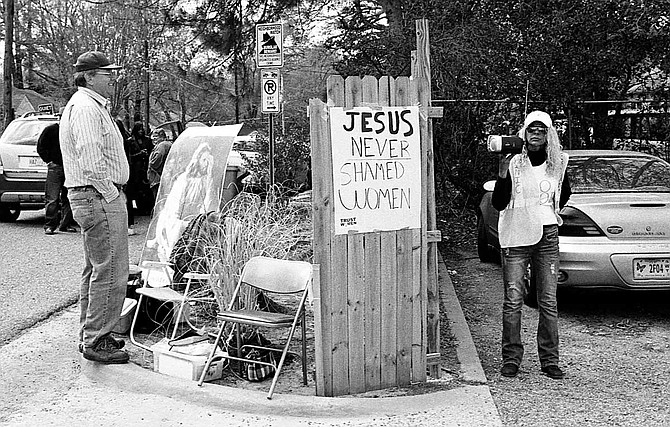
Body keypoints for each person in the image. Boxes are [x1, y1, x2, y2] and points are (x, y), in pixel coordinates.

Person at [59, 50, 130, 364]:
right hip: (97, 195)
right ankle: (97, 340)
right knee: (112, 269)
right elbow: (91, 159)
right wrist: (111, 193)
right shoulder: (87, 107)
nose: (112, 77)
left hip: (91, 195)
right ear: (88, 76)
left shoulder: (87, 105)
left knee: (96, 269)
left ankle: (92, 334)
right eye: (106, 73)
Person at [491, 110, 571, 380]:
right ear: (524, 132)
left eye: (541, 130)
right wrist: (502, 173)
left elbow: (564, 192)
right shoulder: (513, 162)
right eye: (531, 129)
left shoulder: (558, 162)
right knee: (513, 301)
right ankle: (511, 358)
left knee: (548, 301)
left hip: (547, 235)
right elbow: (499, 203)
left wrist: (547, 212)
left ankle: (550, 360)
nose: (536, 134)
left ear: (549, 134)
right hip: (516, 235)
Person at [147, 142, 214, 263]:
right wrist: (177, 220)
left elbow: (207, 205)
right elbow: (175, 203)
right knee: (173, 224)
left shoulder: (208, 181)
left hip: (195, 218)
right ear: (197, 159)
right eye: (204, 160)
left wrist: (209, 179)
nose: (206, 164)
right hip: (179, 215)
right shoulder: (185, 178)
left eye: (209, 161)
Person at [36, 120, 76, 234]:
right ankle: (49, 225)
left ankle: (65, 224)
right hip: (56, 167)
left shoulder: (72, 130)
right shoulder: (51, 130)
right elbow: (41, 147)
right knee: (52, 198)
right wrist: (48, 161)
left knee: (68, 197)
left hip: (70, 167)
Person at [126, 123, 152, 235]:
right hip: (135, 170)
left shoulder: (147, 140)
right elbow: (129, 156)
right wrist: (139, 154)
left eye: (142, 129)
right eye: (139, 129)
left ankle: (145, 208)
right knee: (133, 192)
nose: (141, 131)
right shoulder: (130, 141)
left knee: (146, 191)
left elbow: (152, 152)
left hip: (145, 168)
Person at [147, 128, 172, 202]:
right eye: (153, 137)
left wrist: (152, 164)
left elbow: (157, 159)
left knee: (159, 200)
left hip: (158, 178)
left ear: (162, 137)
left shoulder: (161, 146)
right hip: (166, 176)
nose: (154, 139)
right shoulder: (168, 144)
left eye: (156, 137)